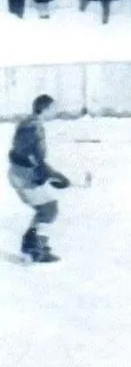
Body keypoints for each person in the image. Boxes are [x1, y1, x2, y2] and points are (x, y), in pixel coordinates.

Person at [8, 94, 72, 263]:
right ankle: (34, 249)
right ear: (45, 109)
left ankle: (33, 246)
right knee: (48, 209)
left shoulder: (29, 123)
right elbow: (33, 157)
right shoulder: (34, 127)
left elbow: (31, 157)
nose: (56, 111)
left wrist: (52, 175)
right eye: (53, 108)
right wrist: (52, 176)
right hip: (23, 176)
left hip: (21, 173)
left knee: (46, 209)